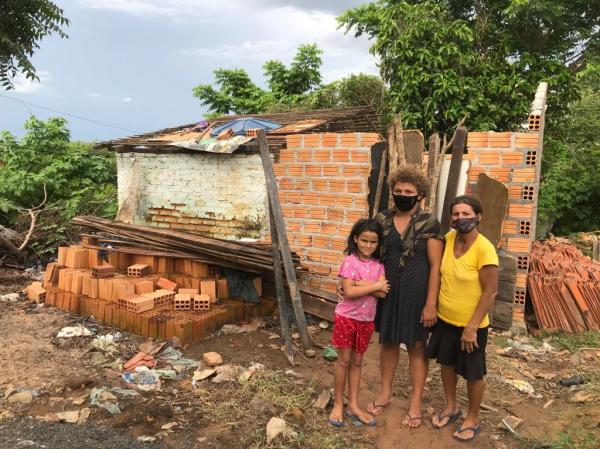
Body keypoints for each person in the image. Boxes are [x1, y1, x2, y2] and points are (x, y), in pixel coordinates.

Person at [367, 165, 445, 428]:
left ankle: (415, 403)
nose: (402, 195)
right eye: (398, 191)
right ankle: (385, 392)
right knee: (387, 343)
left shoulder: (430, 224)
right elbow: (370, 255)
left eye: (408, 191)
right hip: (387, 292)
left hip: (417, 295)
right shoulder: (381, 220)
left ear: (419, 194)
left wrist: (431, 303)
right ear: (391, 192)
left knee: (416, 347)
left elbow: (436, 266)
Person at [427, 195, 499, 442]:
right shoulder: (448, 240)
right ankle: (451, 407)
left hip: (472, 325)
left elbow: (491, 291)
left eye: (466, 213)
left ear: (478, 217)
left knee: (472, 372)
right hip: (446, 319)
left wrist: (472, 327)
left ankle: (472, 417)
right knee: (446, 364)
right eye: (455, 214)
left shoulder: (484, 248)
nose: (460, 218)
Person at [329, 218, 389, 427]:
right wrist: (374, 285)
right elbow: (350, 292)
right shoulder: (349, 262)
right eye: (364, 240)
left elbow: (383, 292)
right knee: (344, 361)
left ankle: (353, 404)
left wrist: (360, 283)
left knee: (357, 362)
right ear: (356, 239)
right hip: (347, 318)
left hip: (366, 321)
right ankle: (338, 403)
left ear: (378, 243)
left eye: (373, 242)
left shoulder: (378, 265)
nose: (368, 245)